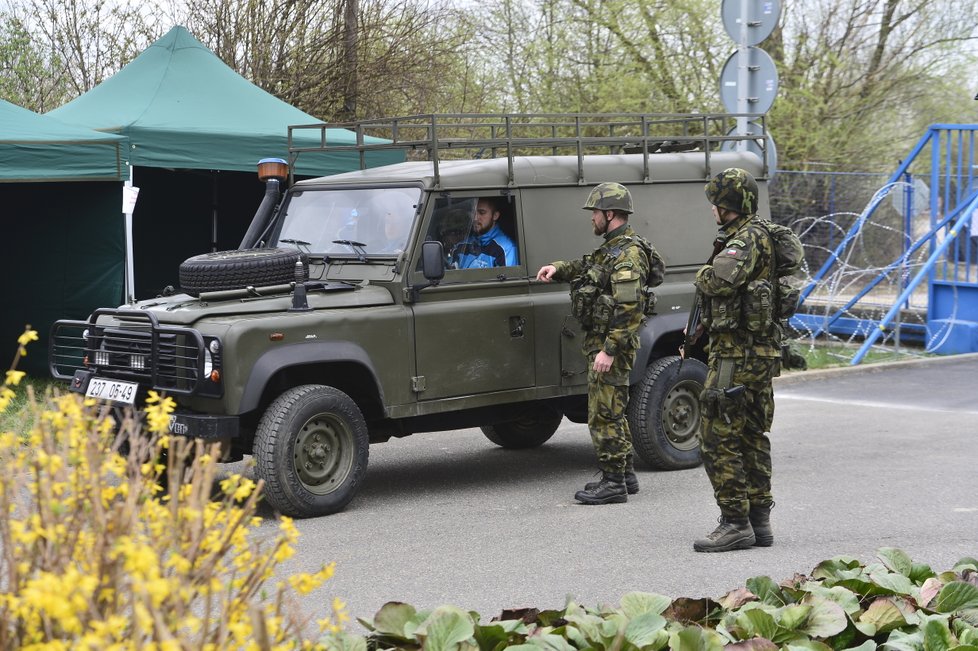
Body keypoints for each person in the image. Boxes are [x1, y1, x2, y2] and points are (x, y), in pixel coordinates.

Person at [536, 182, 664, 504]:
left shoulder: (628, 256)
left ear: (610, 214)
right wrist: (558, 268)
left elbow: (630, 309)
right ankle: (626, 475)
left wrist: (609, 350)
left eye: (595, 212)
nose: (591, 218)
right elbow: (585, 268)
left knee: (603, 413)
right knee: (613, 410)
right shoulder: (611, 248)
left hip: (612, 346)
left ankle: (613, 483)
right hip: (602, 341)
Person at [688, 167, 781, 552]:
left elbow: (717, 281)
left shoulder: (744, 240)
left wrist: (702, 271)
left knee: (716, 434)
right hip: (759, 350)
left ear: (728, 206)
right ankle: (758, 521)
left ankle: (735, 522)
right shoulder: (762, 234)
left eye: (716, 202)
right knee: (751, 434)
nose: (712, 208)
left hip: (735, 352)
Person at [451, 198, 519, 268]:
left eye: (482, 213)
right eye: (473, 212)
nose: (475, 218)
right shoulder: (461, 246)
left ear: (495, 216)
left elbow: (509, 278)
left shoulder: (506, 249)